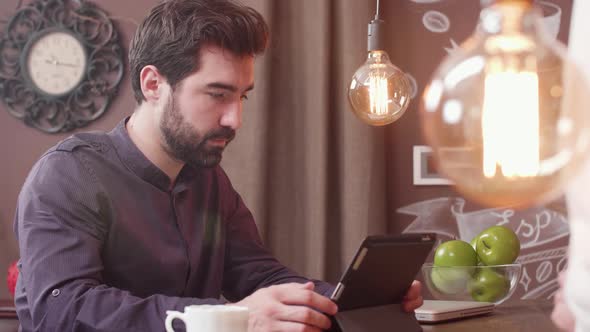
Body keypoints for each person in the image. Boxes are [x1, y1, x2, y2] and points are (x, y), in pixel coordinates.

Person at [13, 0, 423, 331]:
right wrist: (239, 320)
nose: (234, 119)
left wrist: (345, 298)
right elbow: (63, 310)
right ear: (153, 84)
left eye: (242, 96)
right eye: (217, 94)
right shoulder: (69, 174)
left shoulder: (209, 179)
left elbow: (259, 276)